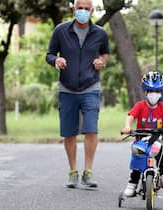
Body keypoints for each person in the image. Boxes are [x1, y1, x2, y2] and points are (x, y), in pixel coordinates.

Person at [46, 0, 109, 188]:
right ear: (73, 9)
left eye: (86, 9)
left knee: (91, 129)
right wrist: (56, 60)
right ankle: (73, 172)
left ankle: (88, 172)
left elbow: (105, 53)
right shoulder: (61, 30)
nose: (82, 11)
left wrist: (101, 61)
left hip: (91, 87)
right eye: (79, 8)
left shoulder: (100, 33)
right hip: (67, 89)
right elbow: (49, 54)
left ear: (92, 10)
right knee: (69, 132)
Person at [121, 71, 163, 197]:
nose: (154, 94)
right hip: (141, 140)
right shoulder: (139, 106)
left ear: (161, 93)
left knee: (161, 153)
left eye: (158, 91)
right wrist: (127, 127)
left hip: (156, 139)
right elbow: (130, 117)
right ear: (145, 92)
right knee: (138, 160)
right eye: (151, 91)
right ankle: (132, 184)